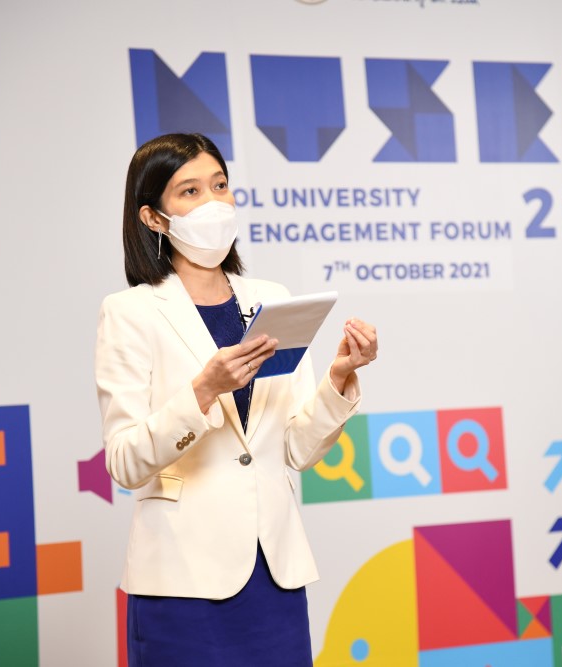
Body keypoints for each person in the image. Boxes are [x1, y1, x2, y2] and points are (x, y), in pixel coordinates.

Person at [94, 133, 378, 666]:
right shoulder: (129, 312)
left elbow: (297, 449)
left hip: (274, 571)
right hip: (182, 578)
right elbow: (125, 461)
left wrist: (339, 378)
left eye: (220, 185)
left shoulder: (272, 299)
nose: (214, 202)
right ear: (153, 217)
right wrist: (202, 391)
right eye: (191, 191)